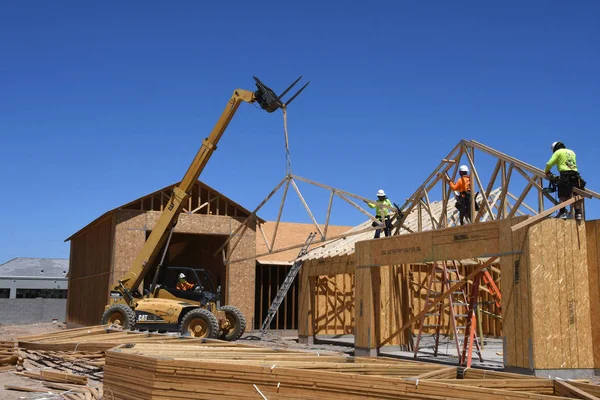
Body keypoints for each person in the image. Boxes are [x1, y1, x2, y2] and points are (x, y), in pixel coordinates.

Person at [545, 141, 585, 220]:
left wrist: (546, 171)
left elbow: (549, 164)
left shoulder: (558, 152)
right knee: (576, 194)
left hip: (565, 175)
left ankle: (563, 212)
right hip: (576, 175)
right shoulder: (572, 152)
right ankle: (578, 213)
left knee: (562, 194)